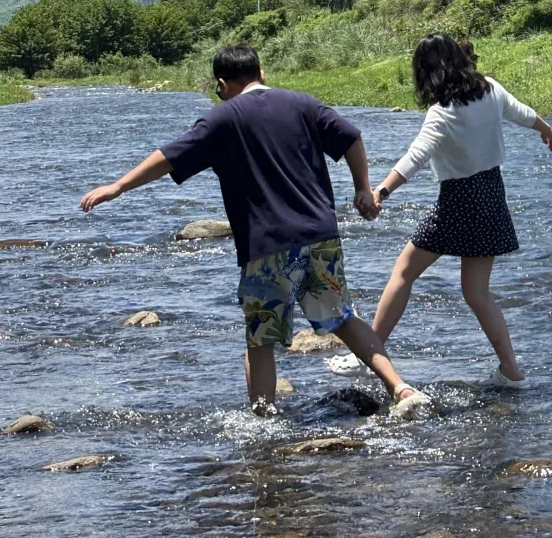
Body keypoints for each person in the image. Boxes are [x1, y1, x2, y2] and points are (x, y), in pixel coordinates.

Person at [79, 42, 430, 416]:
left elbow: (168, 158)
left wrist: (118, 186)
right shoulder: (303, 103)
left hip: (267, 245)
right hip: (320, 234)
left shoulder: (222, 118)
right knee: (342, 318)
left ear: (221, 83)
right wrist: (363, 187)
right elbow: (351, 136)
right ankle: (402, 389)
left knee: (261, 341)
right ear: (262, 74)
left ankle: (264, 422)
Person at [332, 33, 552, 386]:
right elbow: (522, 113)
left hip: (458, 201)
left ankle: (368, 355)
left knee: (403, 273)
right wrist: (547, 131)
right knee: (477, 293)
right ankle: (512, 373)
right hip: (491, 196)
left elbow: (415, 158)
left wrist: (380, 192)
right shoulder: (490, 89)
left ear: (426, 73)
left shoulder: (442, 113)